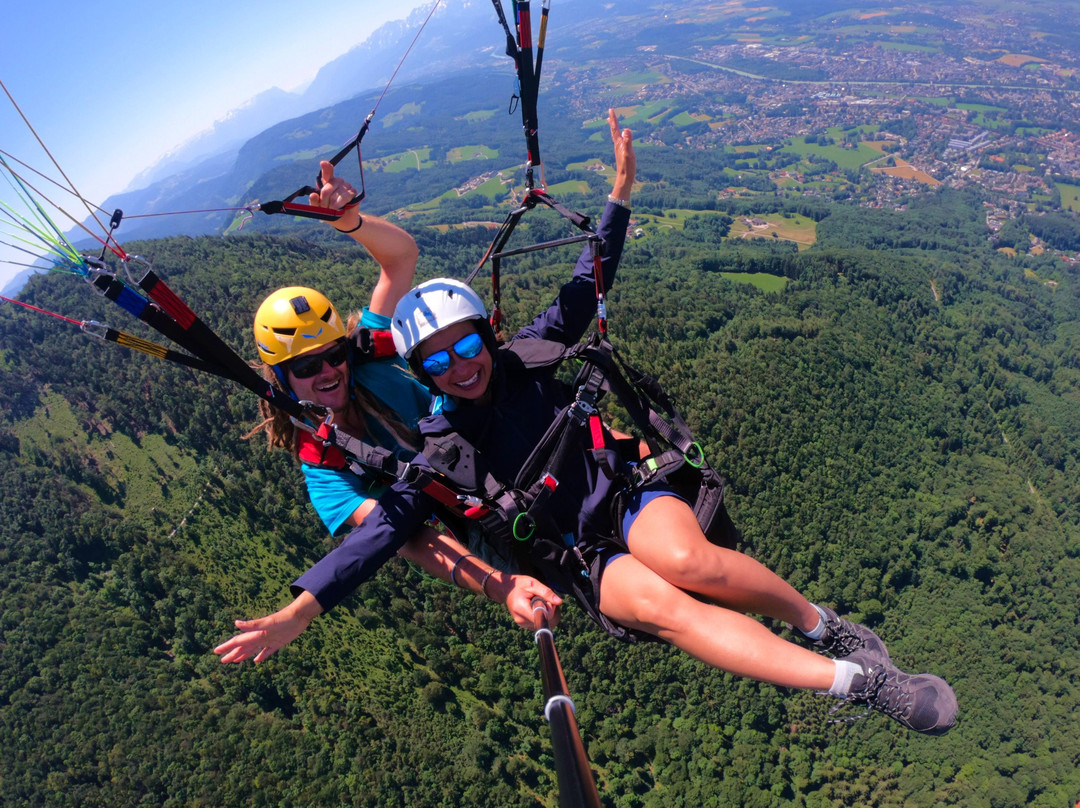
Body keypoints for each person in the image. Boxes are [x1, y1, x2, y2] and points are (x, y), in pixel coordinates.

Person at [247, 112, 958, 735]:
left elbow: (585, 286)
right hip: (573, 553)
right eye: (438, 362)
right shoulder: (440, 450)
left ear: (487, 336)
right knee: (668, 610)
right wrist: (302, 609)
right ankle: (860, 685)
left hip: (618, 491)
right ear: (423, 374)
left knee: (689, 563)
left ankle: (825, 626)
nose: (460, 367)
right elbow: (385, 533)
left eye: (467, 347)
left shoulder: (524, 356)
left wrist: (619, 194)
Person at [215, 109, 637, 663]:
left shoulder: (368, 358)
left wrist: (350, 222)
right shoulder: (325, 467)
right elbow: (403, 533)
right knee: (596, 557)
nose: (328, 372)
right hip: (480, 511)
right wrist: (498, 585)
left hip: (495, 432)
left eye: (333, 355)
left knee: (619, 460)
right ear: (282, 380)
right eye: (306, 368)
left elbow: (400, 260)